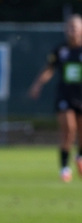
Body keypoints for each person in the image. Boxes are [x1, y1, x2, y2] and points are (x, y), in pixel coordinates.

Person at [28, 14, 82, 182]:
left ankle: (79, 158)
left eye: (76, 27)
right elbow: (49, 68)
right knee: (69, 129)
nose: (72, 30)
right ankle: (64, 168)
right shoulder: (60, 50)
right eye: (70, 27)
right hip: (64, 95)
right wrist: (38, 84)